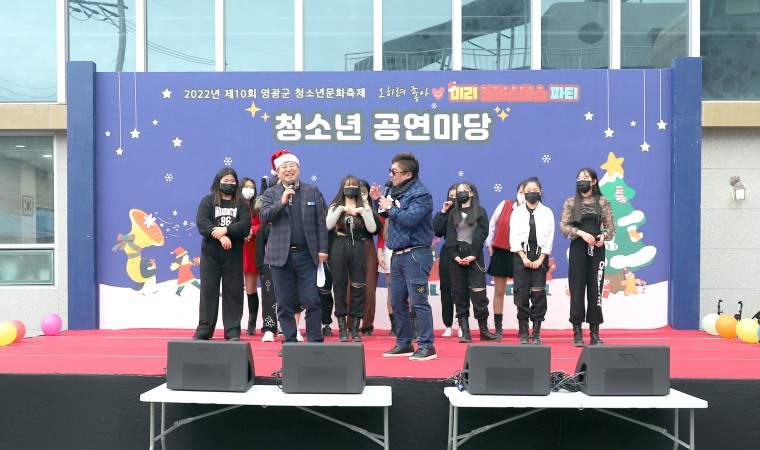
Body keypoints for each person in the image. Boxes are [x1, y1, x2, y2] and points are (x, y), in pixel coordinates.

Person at [259, 150, 328, 351]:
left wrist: (323, 249)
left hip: (307, 254)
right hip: (280, 256)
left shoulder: (311, 190)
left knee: (312, 300)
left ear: (298, 168)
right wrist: (281, 202)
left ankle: (315, 342)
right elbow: (264, 217)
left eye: (292, 166)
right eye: (284, 167)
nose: (289, 170)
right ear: (277, 171)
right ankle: (289, 343)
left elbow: (320, 223)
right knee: (284, 302)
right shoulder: (271, 193)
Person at [372, 152, 437, 361]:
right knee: (397, 301)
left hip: (416, 254)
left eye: (394, 171)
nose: (390, 175)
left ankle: (427, 346)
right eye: (390, 170)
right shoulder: (396, 191)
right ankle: (404, 343)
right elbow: (386, 216)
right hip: (397, 254)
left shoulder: (421, 194)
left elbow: (410, 219)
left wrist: (390, 207)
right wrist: (378, 201)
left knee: (418, 301)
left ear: (408, 174)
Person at [435, 182, 500, 343]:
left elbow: (482, 233)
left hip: (474, 256)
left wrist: (473, 254)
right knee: (459, 294)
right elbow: (448, 235)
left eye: (464, 190)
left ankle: (484, 330)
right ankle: (465, 332)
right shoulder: (453, 213)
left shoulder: (480, 211)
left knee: (479, 294)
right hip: (456, 256)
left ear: (471, 193)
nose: (461, 193)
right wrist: (454, 255)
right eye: (459, 191)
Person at [192, 167, 252, 341]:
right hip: (211, 256)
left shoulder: (241, 204)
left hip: (233, 256)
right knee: (208, 292)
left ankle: (232, 331)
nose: (229, 184)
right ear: (218, 182)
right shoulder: (208, 201)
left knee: (233, 292)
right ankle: (204, 330)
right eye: (225, 181)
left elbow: (245, 225)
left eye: (232, 181)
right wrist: (219, 235)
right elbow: (202, 222)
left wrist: (226, 230)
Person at [559, 167, 615, 346]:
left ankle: (595, 333)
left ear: (594, 181)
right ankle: (577, 332)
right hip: (578, 247)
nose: (581, 181)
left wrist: (603, 236)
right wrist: (581, 233)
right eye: (579, 178)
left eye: (585, 177)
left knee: (595, 290)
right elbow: (564, 227)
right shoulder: (571, 202)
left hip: (597, 248)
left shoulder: (603, 201)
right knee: (576, 289)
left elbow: (611, 228)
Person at [326, 175, 380, 342]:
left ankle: (355, 328)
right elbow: (328, 225)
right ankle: (342, 328)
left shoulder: (364, 206)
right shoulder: (335, 205)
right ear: (342, 187)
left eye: (354, 185)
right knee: (340, 286)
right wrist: (341, 209)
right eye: (348, 185)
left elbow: (372, 228)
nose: (351, 188)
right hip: (339, 245)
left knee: (358, 286)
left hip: (358, 246)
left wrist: (362, 210)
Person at [510, 177, 555, 344]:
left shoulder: (547, 212)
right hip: (521, 255)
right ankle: (523, 331)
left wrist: (540, 259)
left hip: (539, 255)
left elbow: (549, 237)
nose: (531, 193)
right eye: (528, 191)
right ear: (523, 193)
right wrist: (523, 257)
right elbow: (513, 237)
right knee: (521, 294)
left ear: (540, 191)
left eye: (535, 190)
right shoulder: (517, 212)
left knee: (538, 294)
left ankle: (536, 333)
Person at [485, 180, 527, 338]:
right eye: (521, 191)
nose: (523, 195)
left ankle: (523, 327)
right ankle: (498, 328)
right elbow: (492, 225)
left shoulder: (533, 211)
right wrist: (489, 244)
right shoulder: (505, 204)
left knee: (521, 292)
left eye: (527, 192)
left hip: (521, 253)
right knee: (499, 291)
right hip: (502, 252)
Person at [433, 184, 461, 338]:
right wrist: (443, 211)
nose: (453, 198)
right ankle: (448, 325)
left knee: (461, 289)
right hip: (447, 253)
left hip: (463, 252)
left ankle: (462, 323)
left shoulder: (470, 212)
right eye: (451, 195)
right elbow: (437, 231)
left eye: (457, 195)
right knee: (446, 288)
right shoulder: (446, 212)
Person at [239, 177, 261, 335]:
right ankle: (235, 322)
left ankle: (252, 323)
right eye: (246, 187)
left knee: (251, 289)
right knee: (236, 289)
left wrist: (253, 230)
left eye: (252, 188)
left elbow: (265, 224)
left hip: (253, 250)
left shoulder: (258, 207)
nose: (249, 190)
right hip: (237, 249)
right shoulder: (235, 206)